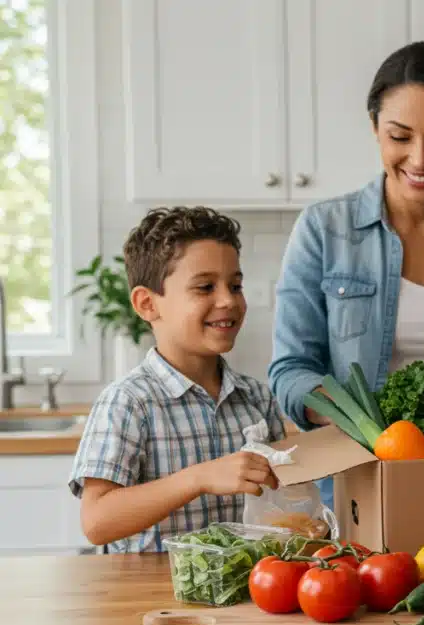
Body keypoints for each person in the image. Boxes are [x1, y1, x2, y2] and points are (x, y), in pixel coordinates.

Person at [269, 41, 424, 510]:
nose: (420, 160)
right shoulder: (324, 230)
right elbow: (290, 370)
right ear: (374, 127)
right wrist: (365, 422)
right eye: (400, 137)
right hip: (357, 483)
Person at [68, 207, 287, 553]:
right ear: (147, 304)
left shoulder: (257, 397)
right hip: (151, 599)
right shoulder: (128, 402)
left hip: (246, 593)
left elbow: (281, 500)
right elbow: (96, 521)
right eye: (205, 287)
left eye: (235, 285)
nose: (228, 300)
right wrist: (198, 478)